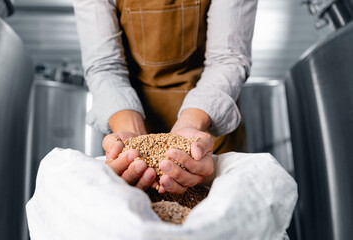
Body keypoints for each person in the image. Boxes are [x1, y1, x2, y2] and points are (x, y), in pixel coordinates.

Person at [72, 0, 257, 194]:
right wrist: (129, 134)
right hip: (127, 123)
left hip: (206, 133)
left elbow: (227, 58)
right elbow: (103, 64)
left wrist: (191, 125)